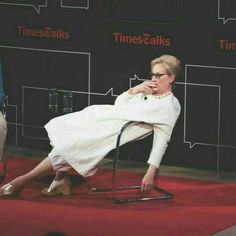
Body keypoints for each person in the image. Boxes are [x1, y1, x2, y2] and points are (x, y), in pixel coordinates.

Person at [0, 54, 181, 197]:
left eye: (159, 75)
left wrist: (151, 171)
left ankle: (22, 181)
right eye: (153, 74)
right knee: (65, 127)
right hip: (103, 117)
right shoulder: (147, 90)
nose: (154, 78)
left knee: (68, 146)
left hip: (111, 131)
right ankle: (61, 180)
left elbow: (162, 139)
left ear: (171, 77)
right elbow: (120, 104)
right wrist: (135, 89)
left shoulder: (169, 106)